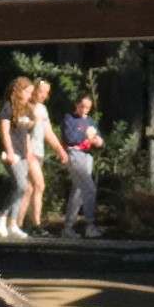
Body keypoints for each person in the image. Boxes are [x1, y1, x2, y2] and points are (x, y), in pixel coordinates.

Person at [0, 75, 37, 238]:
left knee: (21, 188)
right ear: (19, 91)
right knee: (22, 185)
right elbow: (5, 131)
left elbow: (26, 134)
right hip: (13, 154)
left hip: (24, 154)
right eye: (27, 92)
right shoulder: (8, 107)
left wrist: (29, 152)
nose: (29, 96)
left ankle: (13, 224)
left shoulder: (26, 109)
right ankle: (0, 216)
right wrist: (10, 152)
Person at [25, 79, 69, 231]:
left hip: (39, 151)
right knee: (39, 184)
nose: (44, 95)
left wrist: (60, 150)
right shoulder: (25, 106)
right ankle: (36, 225)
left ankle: (23, 223)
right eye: (41, 91)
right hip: (27, 152)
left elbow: (48, 132)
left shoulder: (42, 109)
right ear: (34, 90)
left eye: (47, 93)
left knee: (30, 188)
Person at [60, 93, 103, 238]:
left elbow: (98, 137)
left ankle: (68, 227)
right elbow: (69, 138)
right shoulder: (69, 119)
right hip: (75, 154)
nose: (85, 110)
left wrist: (99, 141)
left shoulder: (90, 121)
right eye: (82, 106)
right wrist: (86, 136)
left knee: (79, 190)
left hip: (87, 155)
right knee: (89, 188)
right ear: (76, 104)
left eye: (88, 108)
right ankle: (90, 224)